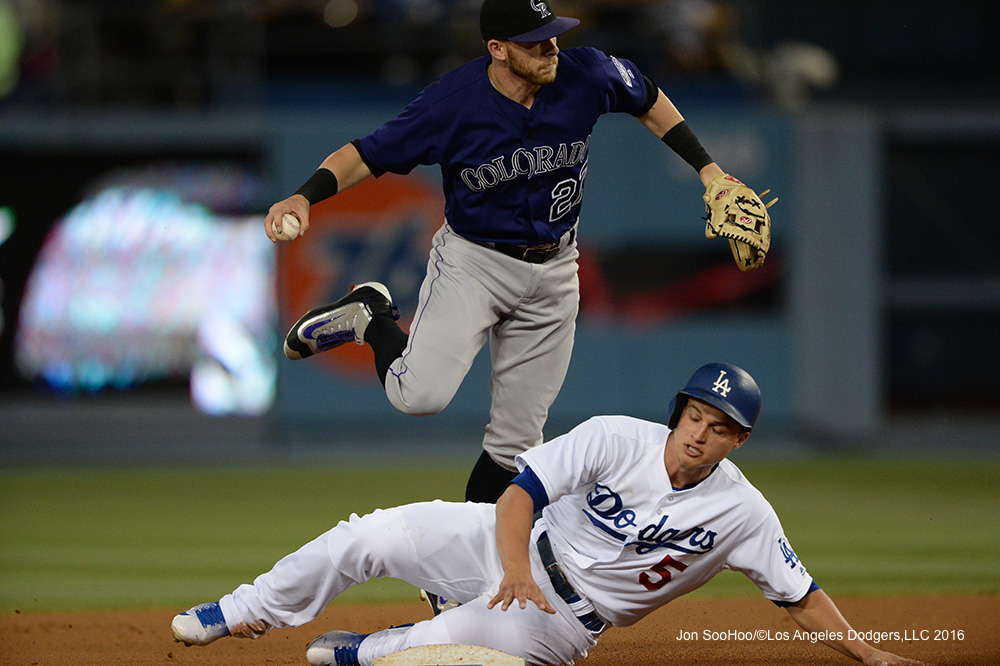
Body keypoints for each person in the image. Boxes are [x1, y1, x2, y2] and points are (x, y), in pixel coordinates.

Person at [265, 0, 774, 504]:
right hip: (475, 262)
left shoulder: (587, 72)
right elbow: (365, 154)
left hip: (555, 267)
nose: (552, 47)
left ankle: (466, 568)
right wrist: (303, 196)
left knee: (517, 447)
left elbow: (646, 97)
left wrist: (709, 170)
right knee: (417, 396)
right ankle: (369, 315)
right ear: (498, 50)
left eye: (554, 34)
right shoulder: (453, 103)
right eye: (535, 41)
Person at [171, 362, 928, 666]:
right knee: (368, 534)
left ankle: (368, 649)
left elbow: (799, 594)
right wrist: (508, 569)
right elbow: (517, 495)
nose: (700, 431)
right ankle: (243, 609)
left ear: (739, 439)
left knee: (444, 655)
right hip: (514, 550)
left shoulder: (745, 513)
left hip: (563, 624)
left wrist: (868, 654)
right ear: (680, 412)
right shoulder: (616, 436)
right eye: (695, 413)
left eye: (719, 424)